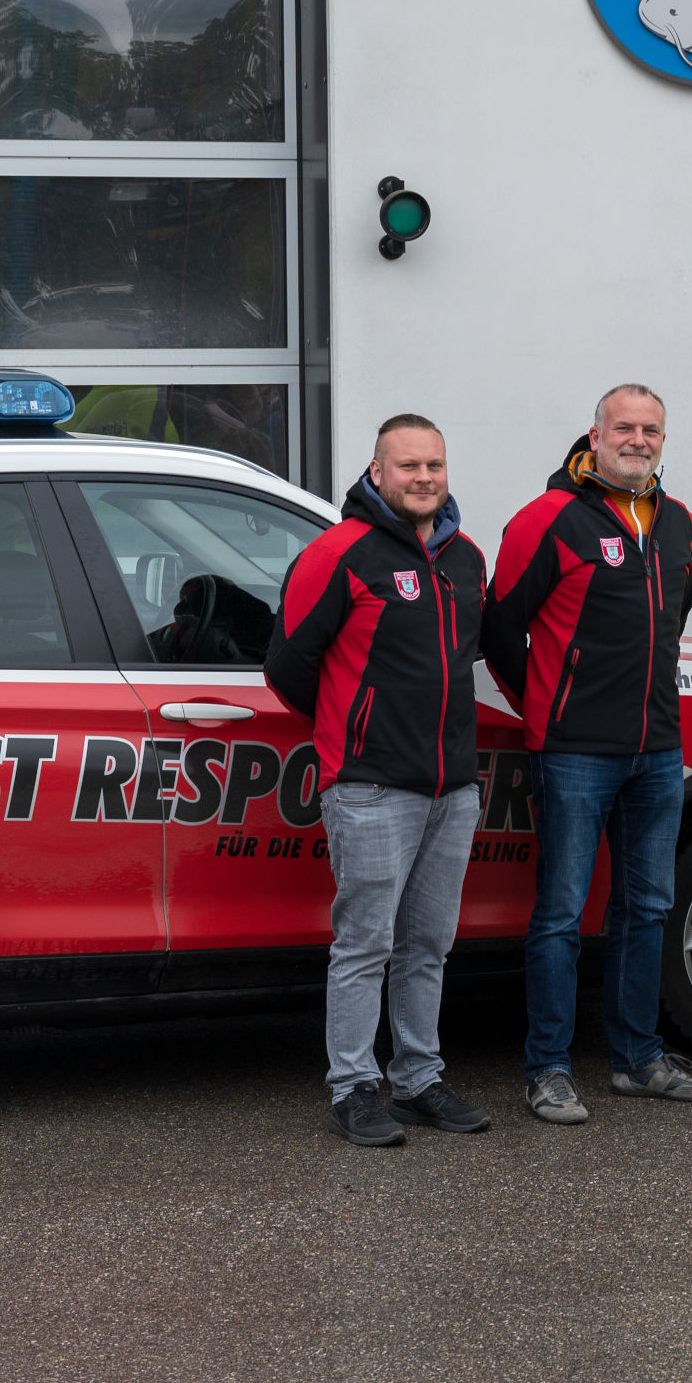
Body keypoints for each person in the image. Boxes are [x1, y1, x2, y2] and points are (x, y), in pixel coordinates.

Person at [483, 383, 692, 1124]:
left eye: (652, 429)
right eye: (625, 426)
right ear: (595, 432)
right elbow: (499, 629)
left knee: (647, 907)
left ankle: (639, 1059)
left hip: (657, 748)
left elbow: (671, 623)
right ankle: (548, 1069)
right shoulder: (547, 519)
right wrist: (547, 706)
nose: (639, 439)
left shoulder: (679, 524)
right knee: (559, 913)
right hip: (574, 752)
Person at [266, 415, 492, 1148]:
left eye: (434, 465)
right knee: (365, 943)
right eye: (408, 466)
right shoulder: (339, 554)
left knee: (428, 944)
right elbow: (290, 665)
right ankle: (356, 1088)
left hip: (451, 788)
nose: (423, 478)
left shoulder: (465, 560)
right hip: (368, 786)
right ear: (376, 471)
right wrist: (353, 729)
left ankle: (420, 1078)